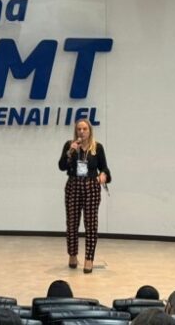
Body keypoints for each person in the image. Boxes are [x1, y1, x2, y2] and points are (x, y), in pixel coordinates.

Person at [58, 117, 111, 273]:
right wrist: (70, 152)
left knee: (91, 224)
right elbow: (61, 166)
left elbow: (105, 169)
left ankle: (89, 258)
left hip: (91, 187)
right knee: (72, 223)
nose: (81, 132)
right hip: (73, 185)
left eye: (84, 129)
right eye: (79, 129)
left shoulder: (97, 147)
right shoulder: (70, 145)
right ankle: (72, 255)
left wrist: (103, 175)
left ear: (90, 131)